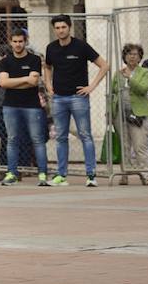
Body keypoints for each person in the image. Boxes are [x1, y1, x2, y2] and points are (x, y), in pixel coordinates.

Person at [43, 14, 109, 187]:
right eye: (57, 28)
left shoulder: (81, 46)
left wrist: (91, 86)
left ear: (69, 27)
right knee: (61, 137)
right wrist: (48, 85)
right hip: (58, 99)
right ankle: (61, 175)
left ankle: (91, 175)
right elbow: (47, 67)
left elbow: (104, 65)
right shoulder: (51, 48)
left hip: (79, 98)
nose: (60, 30)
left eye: (63, 27)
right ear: (54, 29)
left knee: (85, 135)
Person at [0, 28, 49, 186]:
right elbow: (3, 83)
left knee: (37, 140)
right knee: (12, 140)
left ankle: (42, 175)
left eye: (21, 41)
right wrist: (25, 80)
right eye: (15, 41)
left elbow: (34, 82)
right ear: (11, 42)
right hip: (10, 106)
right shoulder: (5, 61)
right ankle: (12, 173)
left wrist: (14, 82)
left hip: (32, 106)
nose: (18, 44)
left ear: (25, 41)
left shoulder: (34, 60)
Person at [111, 44, 148, 184]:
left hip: (138, 114)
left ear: (140, 57)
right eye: (129, 54)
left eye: (135, 54)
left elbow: (142, 89)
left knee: (140, 145)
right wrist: (109, 113)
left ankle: (146, 175)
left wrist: (130, 77)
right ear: (124, 57)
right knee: (124, 145)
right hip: (120, 114)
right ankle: (124, 174)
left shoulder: (145, 72)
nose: (132, 56)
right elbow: (113, 92)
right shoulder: (118, 73)